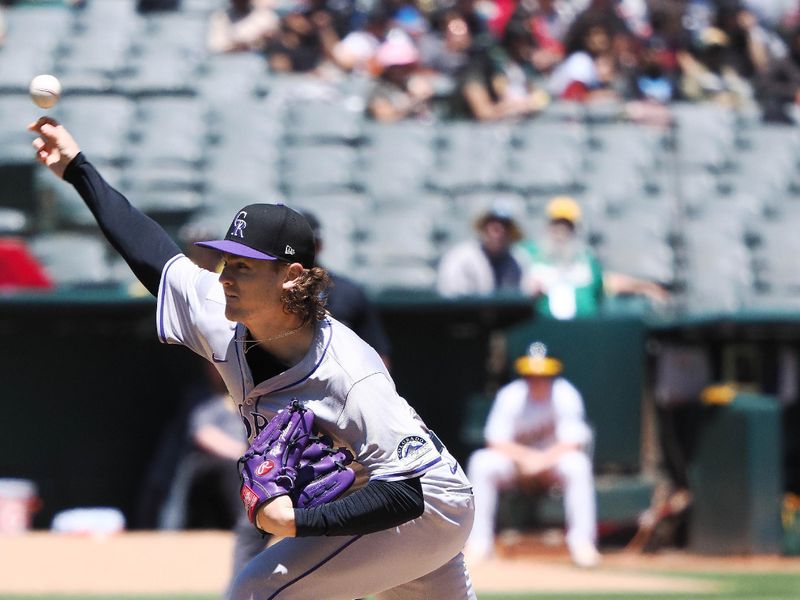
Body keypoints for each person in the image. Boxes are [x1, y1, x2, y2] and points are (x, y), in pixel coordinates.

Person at [29, 117, 476, 600]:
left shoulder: (349, 371)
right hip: (377, 500)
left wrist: (299, 521)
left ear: (291, 276)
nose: (226, 276)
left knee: (257, 590)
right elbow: (152, 254)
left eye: (243, 266)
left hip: (426, 506)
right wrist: (78, 168)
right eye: (225, 262)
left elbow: (405, 492)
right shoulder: (221, 313)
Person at [465, 342, 600, 568]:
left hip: (553, 463)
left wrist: (542, 460)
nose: (537, 378)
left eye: (543, 373)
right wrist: (526, 458)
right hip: (517, 464)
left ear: (553, 373)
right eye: (532, 373)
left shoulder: (565, 394)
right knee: (481, 462)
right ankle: (479, 544)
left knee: (578, 465)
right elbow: (494, 440)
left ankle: (583, 544)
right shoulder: (511, 395)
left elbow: (573, 443)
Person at [518, 196, 669, 320]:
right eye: (556, 224)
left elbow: (605, 283)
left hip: (584, 330)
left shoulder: (585, 259)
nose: (560, 231)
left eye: (567, 225)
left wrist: (645, 287)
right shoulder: (529, 254)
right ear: (548, 225)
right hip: (542, 328)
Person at [301, 210, 392, 368]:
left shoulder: (348, 293)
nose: (300, 253)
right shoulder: (269, 293)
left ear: (320, 245)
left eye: (306, 245)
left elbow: (379, 356)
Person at [437, 203, 526, 297]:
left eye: (505, 227)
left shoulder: (516, 262)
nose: (499, 233)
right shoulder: (461, 258)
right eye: (494, 227)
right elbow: (453, 299)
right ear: (484, 229)